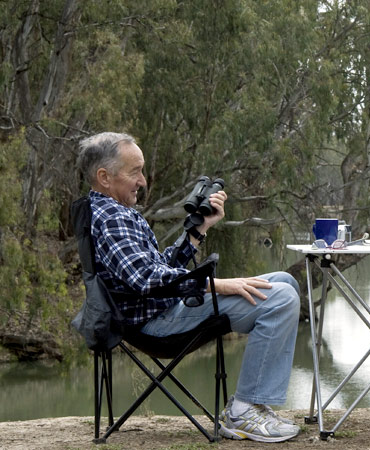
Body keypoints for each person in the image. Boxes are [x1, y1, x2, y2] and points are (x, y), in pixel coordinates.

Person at [76, 132, 302, 443]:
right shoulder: (111, 217)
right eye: (135, 171)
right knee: (281, 299)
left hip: (162, 310)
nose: (142, 180)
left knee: (285, 282)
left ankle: (253, 405)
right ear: (104, 177)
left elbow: (161, 268)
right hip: (155, 324)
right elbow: (147, 280)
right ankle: (244, 411)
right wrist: (217, 285)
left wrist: (200, 227)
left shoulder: (111, 210)